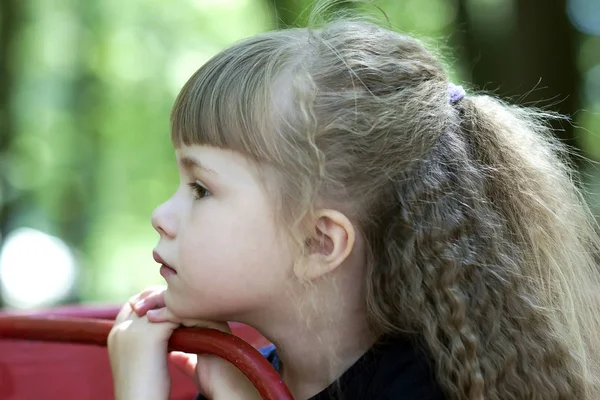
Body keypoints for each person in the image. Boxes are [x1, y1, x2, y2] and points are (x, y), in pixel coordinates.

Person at [107, 2, 600, 399]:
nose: (161, 217)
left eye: (201, 189)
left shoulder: (426, 386)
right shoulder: (236, 368)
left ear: (319, 242)